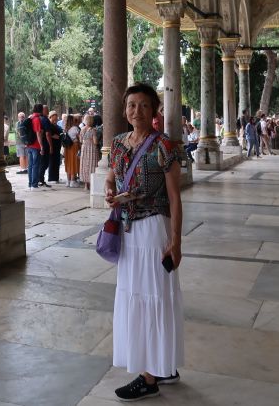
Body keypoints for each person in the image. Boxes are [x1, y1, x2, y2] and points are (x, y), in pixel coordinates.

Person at [104, 83, 184, 400]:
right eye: (131, 105)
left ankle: (149, 378)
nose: (136, 111)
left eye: (144, 105)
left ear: (154, 112)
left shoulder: (164, 146)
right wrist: (110, 190)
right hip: (129, 231)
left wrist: (176, 241)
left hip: (153, 229)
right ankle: (163, 366)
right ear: (125, 110)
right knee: (135, 294)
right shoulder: (118, 143)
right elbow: (112, 175)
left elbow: (175, 198)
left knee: (154, 296)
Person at [26, 104, 45, 189]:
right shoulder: (37, 119)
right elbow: (38, 133)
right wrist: (41, 146)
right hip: (36, 145)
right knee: (35, 165)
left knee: (30, 165)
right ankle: (34, 184)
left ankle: (30, 183)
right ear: (41, 110)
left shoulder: (30, 117)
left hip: (29, 144)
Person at [79, 113, 99, 189]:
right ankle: (91, 184)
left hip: (84, 148)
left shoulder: (82, 129)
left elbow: (81, 140)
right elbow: (95, 142)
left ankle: (85, 185)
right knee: (91, 165)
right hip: (91, 149)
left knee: (84, 165)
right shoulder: (93, 130)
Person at [64, 114, 81, 186]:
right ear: (72, 120)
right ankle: (73, 180)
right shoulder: (75, 128)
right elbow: (80, 138)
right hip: (74, 146)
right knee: (74, 162)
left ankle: (68, 181)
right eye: (74, 119)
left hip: (67, 147)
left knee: (68, 162)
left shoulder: (66, 128)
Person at [46, 109, 63, 185]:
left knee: (57, 162)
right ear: (51, 117)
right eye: (54, 117)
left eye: (56, 117)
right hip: (52, 145)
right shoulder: (49, 125)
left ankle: (56, 177)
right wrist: (53, 136)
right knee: (52, 162)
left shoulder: (56, 125)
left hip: (57, 146)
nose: (56, 118)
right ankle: (52, 178)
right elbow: (48, 134)